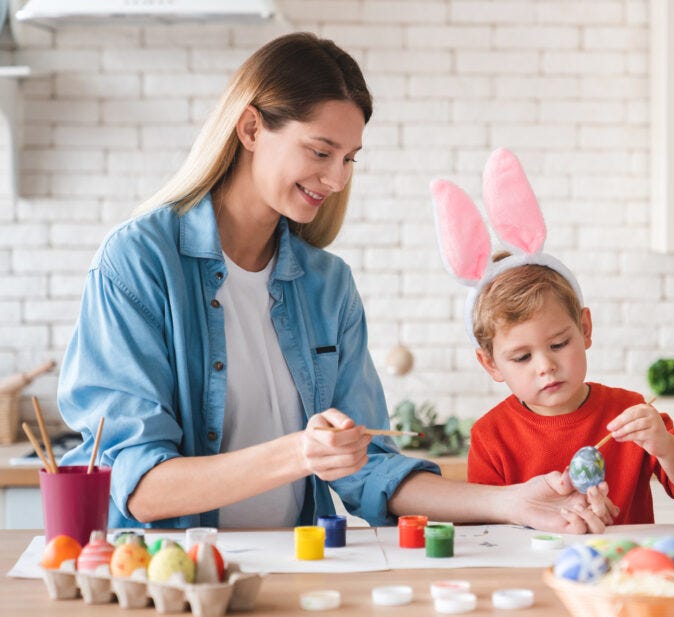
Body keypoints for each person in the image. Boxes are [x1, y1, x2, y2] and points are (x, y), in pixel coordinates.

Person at [56, 33, 614, 534]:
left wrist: (514, 502)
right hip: (166, 576)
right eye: (321, 152)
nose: (337, 178)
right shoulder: (138, 262)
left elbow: (371, 467)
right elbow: (137, 483)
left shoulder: (327, 285)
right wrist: (302, 453)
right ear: (251, 128)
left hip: (290, 566)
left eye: (349, 158)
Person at [431, 148, 674, 525]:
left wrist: (665, 446)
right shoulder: (492, 436)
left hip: (622, 577)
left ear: (585, 329)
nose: (546, 366)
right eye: (522, 357)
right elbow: (489, 535)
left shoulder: (630, 413)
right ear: (490, 363)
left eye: (558, 344)